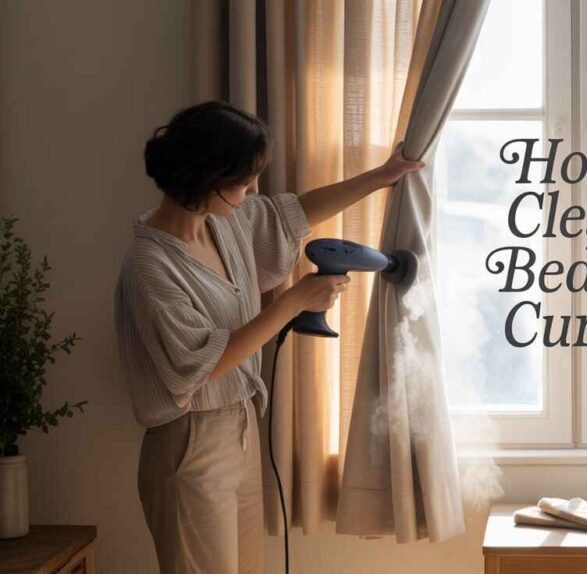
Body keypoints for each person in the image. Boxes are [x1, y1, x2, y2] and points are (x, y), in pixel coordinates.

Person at [114, 100, 423, 573]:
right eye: (244, 181)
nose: (254, 190)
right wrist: (292, 303)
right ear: (208, 178)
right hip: (188, 444)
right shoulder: (151, 268)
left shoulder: (223, 223)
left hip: (238, 430)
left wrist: (381, 177)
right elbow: (200, 365)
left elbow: (291, 216)